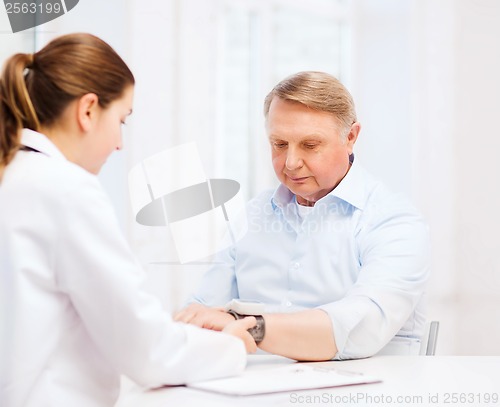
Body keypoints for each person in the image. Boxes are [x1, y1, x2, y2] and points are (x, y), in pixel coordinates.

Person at [0, 33, 257, 407]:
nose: (119, 143)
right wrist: (231, 345)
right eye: (121, 119)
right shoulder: (66, 189)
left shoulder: (13, 175)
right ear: (88, 110)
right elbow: (147, 352)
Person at [175, 71, 431, 361]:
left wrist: (249, 327)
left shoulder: (394, 221)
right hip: (256, 391)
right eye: (279, 144)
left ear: (350, 137)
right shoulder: (252, 216)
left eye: (310, 145)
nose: (291, 163)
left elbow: (360, 327)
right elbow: (201, 309)